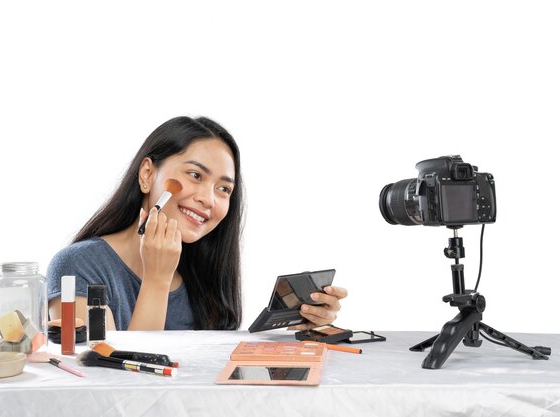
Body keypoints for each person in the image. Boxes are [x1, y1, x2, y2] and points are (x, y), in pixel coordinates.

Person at [47, 116, 347, 330]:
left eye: (224, 189)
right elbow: (114, 380)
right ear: (148, 174)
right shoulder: (77, 267)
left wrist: (301, 328)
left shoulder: (203, 273)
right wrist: (157, 279)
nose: (209, 199)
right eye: (195, 175)